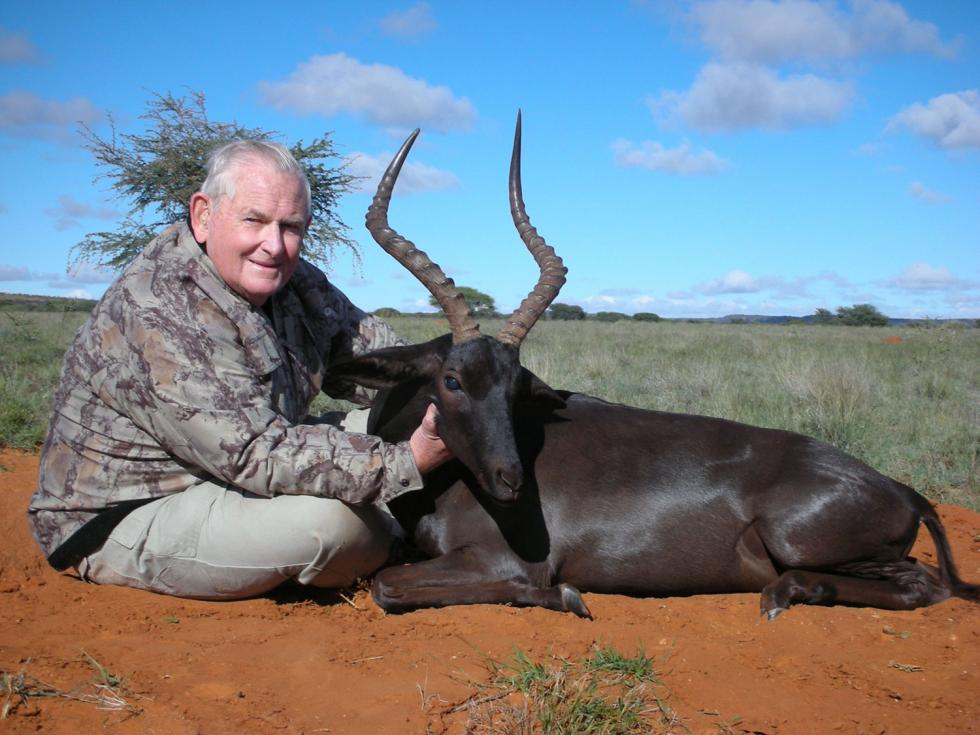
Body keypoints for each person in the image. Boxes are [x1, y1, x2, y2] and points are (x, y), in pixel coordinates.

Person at [27, 140, 452, 599]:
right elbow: (251, 451)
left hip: (236, 468)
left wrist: (465, 383)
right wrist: (405, 462)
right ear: (203, 215)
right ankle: (400, 535)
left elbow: (384, 365)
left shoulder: (295, 282)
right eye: (254, 220)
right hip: (131, 511)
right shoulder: (160, 306)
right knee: (337, 528)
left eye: (291, 227)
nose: (274, 245)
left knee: (402, 418)